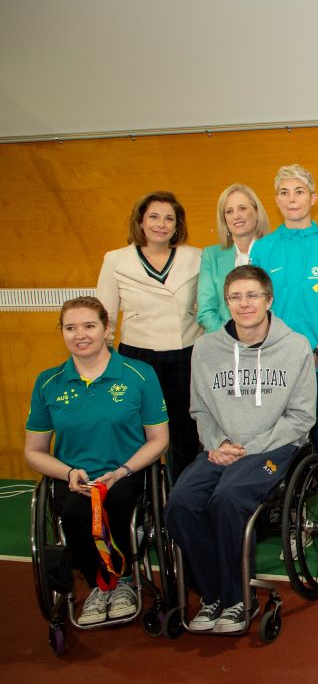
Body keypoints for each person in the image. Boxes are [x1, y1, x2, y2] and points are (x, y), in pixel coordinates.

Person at [166, 266, 315, 633]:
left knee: (229, 498)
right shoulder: (206, 348)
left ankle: (236, 600)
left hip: (274, 448)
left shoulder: (295, 346)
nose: (244, 304)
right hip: (220, 447)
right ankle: (214, 593)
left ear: (269, 300)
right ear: (226, 302)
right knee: (180, 504)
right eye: (235, 297)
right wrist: (217, 444)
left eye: (252, 296)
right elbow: (199, 409)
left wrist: (249, 447)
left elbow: (301, 417)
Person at [25, 297, 169, 626]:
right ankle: (98, 585)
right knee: (75, 513)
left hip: (126, 471)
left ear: (107, 329)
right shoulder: (48, 382)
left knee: (116, 503)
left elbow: (159, 439)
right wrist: (68, 472)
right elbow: (34, 450)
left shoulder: (139, 374)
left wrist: (121, 472)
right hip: (74, 476)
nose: (80, 334)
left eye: (89, 326)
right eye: (70, 327)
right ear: (61, 332)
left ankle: (123, 582)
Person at [250, 164, 318, 492]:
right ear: (276, 200)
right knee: (282, 445)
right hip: (276, 366)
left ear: (313, 198)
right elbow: (255, 306)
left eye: (299, 191)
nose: (292, 199)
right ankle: (292, 520)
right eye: (284, 192)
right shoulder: (262, 249)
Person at [97, 191, 202, 481]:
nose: (161, 224)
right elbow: (104, 318)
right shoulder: (116, 260)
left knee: (185, 433)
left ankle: (183, 501)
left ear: (177, 225)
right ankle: (141, 504)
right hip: (137, 357)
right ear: (141, 221)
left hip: (185, 356)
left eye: (169, 218)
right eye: (154, 217)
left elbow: (207, 309)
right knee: (138, 434)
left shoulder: (196, 257)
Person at [197, 184, 271, 333]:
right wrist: (233, 340)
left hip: (270, 344)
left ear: (257, 212)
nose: (236, 216)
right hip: (224, 343)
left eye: (242, 208)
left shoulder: (276, 252)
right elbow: (206, 312)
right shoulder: (211, 255)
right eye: (229, 211)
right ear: (224, 219)